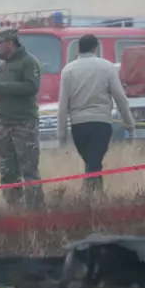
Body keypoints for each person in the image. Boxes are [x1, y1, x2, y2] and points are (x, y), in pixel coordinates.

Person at [57, 34, 136, 193]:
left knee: (91, 162)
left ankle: (92, 196)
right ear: (95, 48)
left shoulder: (68, 70)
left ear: (78, 49)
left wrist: (61, 135)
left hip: (78, 125)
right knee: (94, 162)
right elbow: (121, 99)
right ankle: (94, 196)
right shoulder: (107, 67)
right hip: (101, 123)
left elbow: (62, 106)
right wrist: (129, 123)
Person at [0, 28, 45, 209]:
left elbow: (31, 87)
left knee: (29, 170)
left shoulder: (29, 62)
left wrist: (1, 88)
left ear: (10, 43)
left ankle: (36, 210)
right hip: (4, 124)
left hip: (24, 123)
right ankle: (13, 208)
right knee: (7, 170)